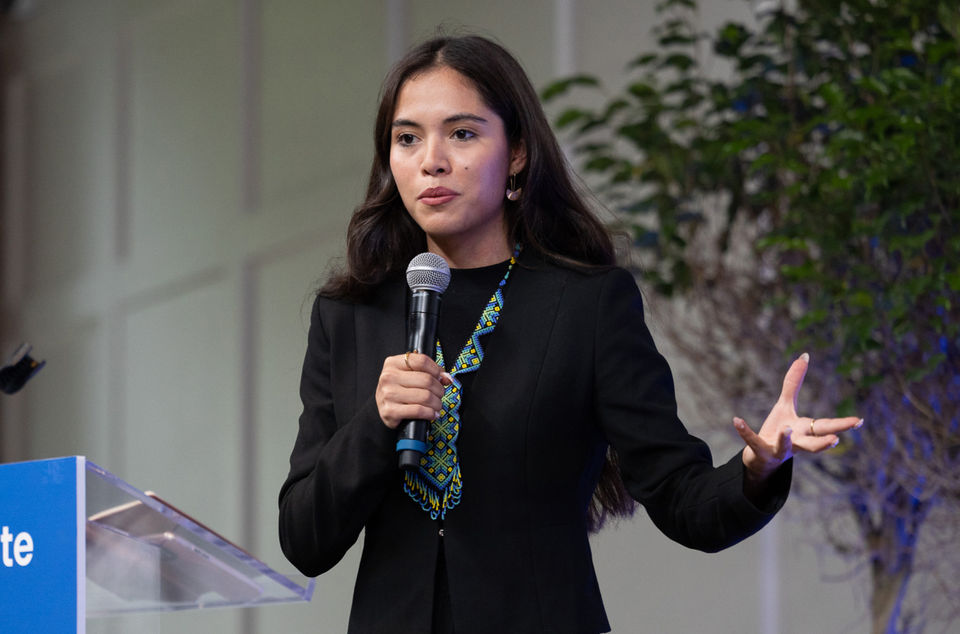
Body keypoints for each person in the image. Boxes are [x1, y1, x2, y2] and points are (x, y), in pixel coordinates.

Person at [278, 34, 862, 634]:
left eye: (462, 133)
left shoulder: (586, 305)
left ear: (517, 154)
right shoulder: (349, 315)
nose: (432, 160)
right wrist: (376, 425)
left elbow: (684, 500)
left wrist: (759, 467)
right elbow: (303, 539)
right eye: (407, 138)